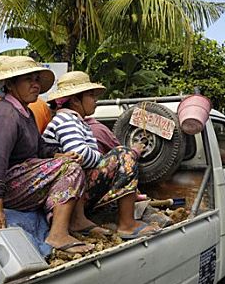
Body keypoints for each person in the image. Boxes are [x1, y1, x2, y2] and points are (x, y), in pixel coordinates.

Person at [0, 56, 93, 254]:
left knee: (70, 164)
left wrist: (59, 156)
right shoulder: (4, 115)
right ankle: (57, 234)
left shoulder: (25, 113)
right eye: (28, 79)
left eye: (37, 79)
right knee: (69, 170)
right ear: (11, 85)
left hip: (13, 174)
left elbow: (39, 148)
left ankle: (75, 221)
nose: (35, 84)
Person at [42, 71, 160, 240]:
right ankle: (127, 224)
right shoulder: (66, 120)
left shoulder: (76, 120)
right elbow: (79, 154)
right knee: (124, 154)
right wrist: (102, 158)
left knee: (118, 156)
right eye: (91, 95)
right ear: (75, 100)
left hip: (75, 192)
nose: (95, 100)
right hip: (66, 193)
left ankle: (82, 219)